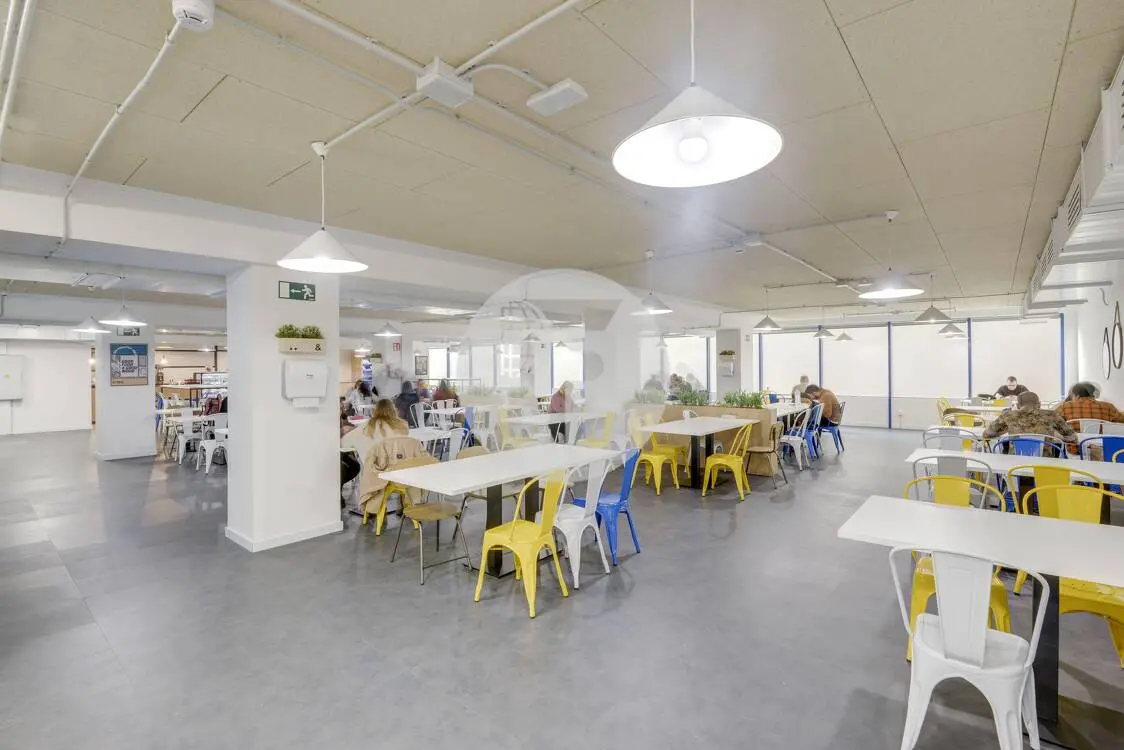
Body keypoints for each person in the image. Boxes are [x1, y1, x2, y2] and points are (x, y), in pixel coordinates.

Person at [983, 391, 1077, 444]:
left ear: (1018, 405)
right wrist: (1060, 438)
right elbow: (1073, 438)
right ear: (1039, 404)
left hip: (1015, 463)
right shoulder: (1051, 415)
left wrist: (1004, 431)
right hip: (1045, 463)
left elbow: (986, 435)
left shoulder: (1007, 415)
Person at [1056, 382, 1124, 424]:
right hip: (1101, 442)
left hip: (1073, 442)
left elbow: (1052, 421)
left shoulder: (1065, 407)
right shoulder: (1109, 407)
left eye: (1072, 396)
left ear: (1077, 395)